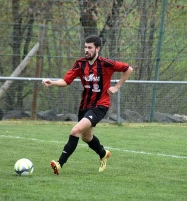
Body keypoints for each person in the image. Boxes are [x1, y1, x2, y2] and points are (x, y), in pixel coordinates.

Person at [42, 35, 133, 175]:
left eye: (90, 47)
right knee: (86, 137)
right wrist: (52, 82)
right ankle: (103, 154)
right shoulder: (80, 64)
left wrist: (117, 87)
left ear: (98, 48)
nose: (87, 50)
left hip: (100, 105)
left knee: (75, 131)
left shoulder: (105, 63)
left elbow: (129, 69)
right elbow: (66, 81)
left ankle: (59, 164)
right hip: (85, 106)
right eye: (85, 47)